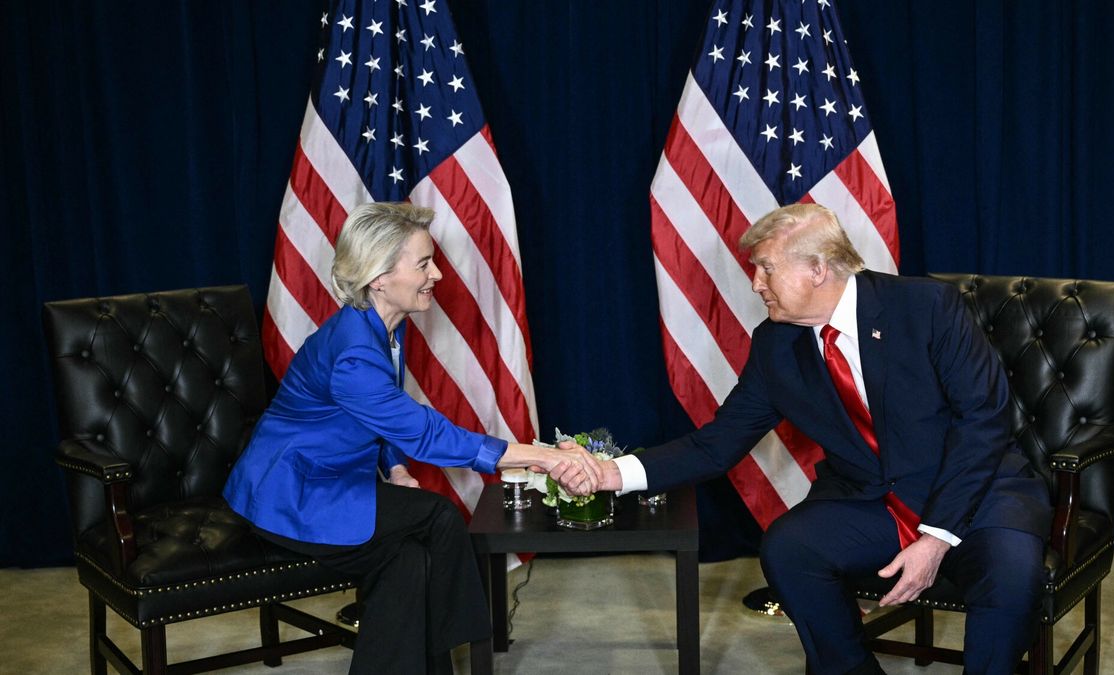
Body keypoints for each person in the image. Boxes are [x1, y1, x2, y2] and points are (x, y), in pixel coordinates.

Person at [587, 203, 1051, 674]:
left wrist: (934, 539)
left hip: (979, 494)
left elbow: (984, 421)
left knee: (1011, 580)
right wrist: (611, 474)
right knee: (790, 548)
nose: (755, 284)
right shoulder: (776, 344)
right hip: (874, 501)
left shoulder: (927, 307)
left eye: (766, 268)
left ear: (817, 268)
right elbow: (716, 444)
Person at [223, 202, 600, 674]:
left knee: (407, 559)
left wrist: (397, 468)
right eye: (423, 263)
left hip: (326, 482)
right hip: (290, 495)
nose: (437, 274)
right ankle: (469, 644)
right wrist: (538, 457)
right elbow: (423, 431)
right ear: (378, 277)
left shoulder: (375, 330)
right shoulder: (356, 353)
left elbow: (382, 419)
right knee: (439, 518)